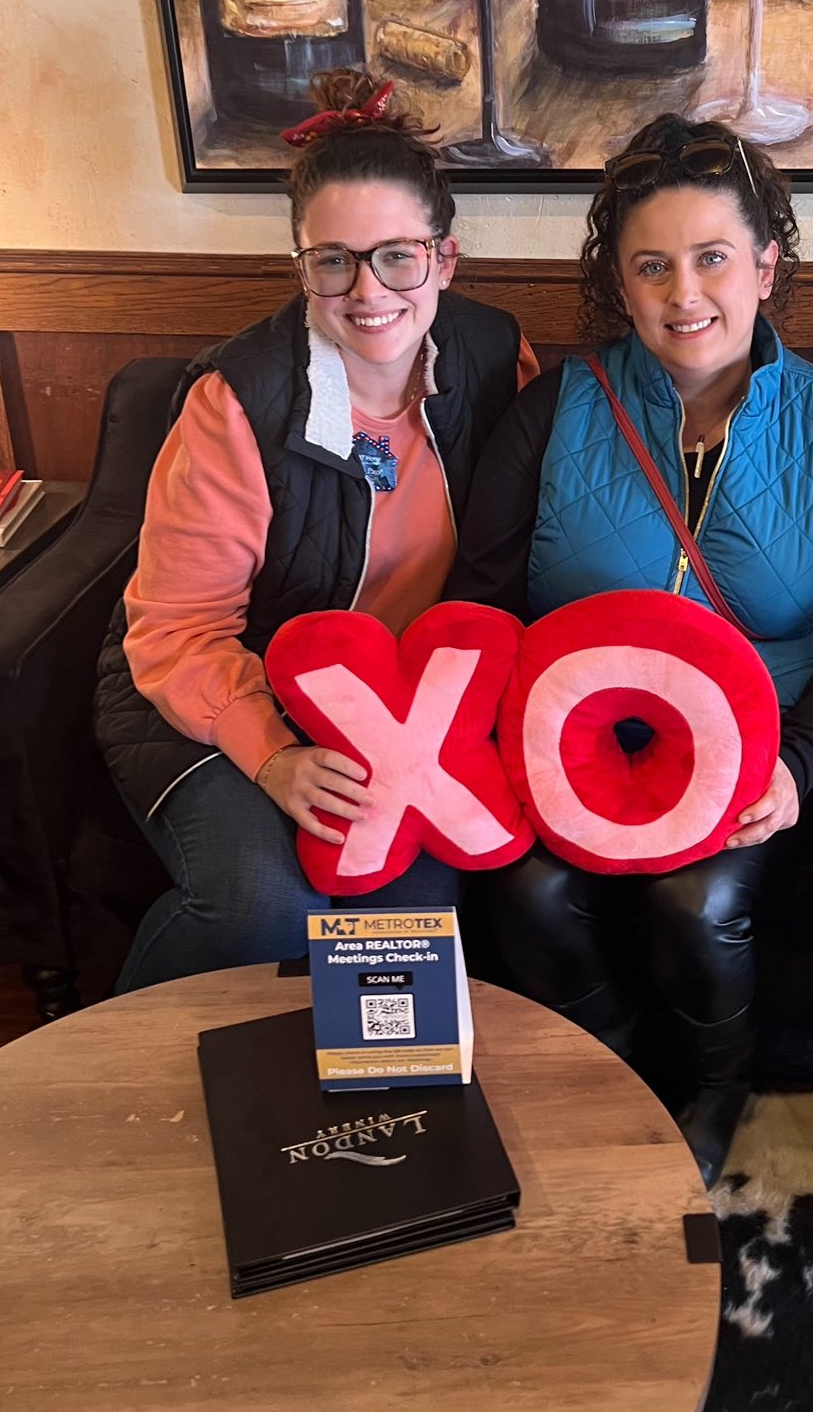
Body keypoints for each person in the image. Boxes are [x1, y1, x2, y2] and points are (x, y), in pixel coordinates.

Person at [449, 115, 813, 1183]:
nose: (683, 293)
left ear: (765, 268)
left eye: (712, 258)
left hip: (755, 750)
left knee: (692, 902)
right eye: (652, 266)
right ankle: (613, 1066)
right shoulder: (556, 408)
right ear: (620, 281)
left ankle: (717, 1087)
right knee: (528, 890)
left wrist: (798, 764)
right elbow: (484, 602)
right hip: (568, 746)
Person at [97, 70, 535, 992]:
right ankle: (104, 1058)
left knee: (410, 915)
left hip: (399, 709)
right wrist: (274, 756)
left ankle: (349, 1081)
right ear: (302, 266)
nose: (367, 290)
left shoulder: (501, 360)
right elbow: (178, 631)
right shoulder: (236, 401)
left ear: (445, 260)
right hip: (213, 684)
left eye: (397, 256)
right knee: (266, 904)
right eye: (333, 260)